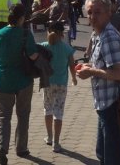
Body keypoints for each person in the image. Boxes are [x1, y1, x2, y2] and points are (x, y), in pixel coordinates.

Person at [77, 0, 120, 165]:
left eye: (97, 12)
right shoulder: (98, 34)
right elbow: (104, 64)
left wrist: (91, 71)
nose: (93, 16)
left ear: (109, 13)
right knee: (103, 153)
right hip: (104, 104)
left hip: (114, 105)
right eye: (90, 12)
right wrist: (88, 67)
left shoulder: (109, 37)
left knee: (113, 157)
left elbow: (119, 73)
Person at [0, 3, 38, 165]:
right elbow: (33, 56)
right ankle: (21, 148)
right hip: (23, 80)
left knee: (3, 115)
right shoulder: (25, 34)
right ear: (22, 18)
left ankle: (1, 148)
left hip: (4, 79)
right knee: (23, 114)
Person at [40, 20, 77, 153]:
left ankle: (49, 137)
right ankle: (56, 143)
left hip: (47, 83)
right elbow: (72, 66)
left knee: (48, 109)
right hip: (61, 84)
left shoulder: (44, 46)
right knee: (58, 112)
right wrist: (74, 78)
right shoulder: (67, 48)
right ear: (62, 33)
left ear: (49, 31)